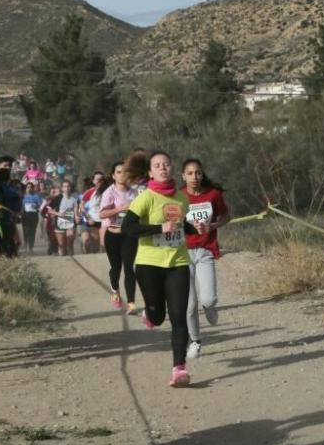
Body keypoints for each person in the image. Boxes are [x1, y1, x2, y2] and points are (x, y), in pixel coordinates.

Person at [122, 152, 207, 388]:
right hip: (149, 265)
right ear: (150, 172)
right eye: (157, 166)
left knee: (179, 317)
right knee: (158, 317)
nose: (163, 168)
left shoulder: (182, 197)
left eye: (167, 164)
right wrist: (160, 227)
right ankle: (149, 315)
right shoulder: (145, 198)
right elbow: (128, 227)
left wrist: (194, 228)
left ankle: (179, 369)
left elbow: (179, 226)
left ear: (172, 169)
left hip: (178, 262)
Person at [181, 158, 230, 359]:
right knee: (189, 304)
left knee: (208, 298)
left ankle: (210, 308)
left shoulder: (213, 194)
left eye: (198, 173)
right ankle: (195, 340)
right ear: (183, 176)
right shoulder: (177, 197)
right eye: (190, 173)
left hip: (205, 250)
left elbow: (226, 216)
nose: (195, 177)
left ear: (202, 175)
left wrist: (213, 226)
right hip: (182, 253)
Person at [99, 162, 139, 314]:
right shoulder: (109, 193)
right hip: (113, 235)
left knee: (129, 267)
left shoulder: (134, 193)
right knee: (116, 268)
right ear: (113, 175)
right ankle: (114, 290)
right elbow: (101, 214)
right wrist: (121, 208)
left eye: (125, 172)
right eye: (119, 172)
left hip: (129, 235)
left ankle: (131, 303)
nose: (122, 175)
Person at [47, 180, 78, 256]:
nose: (67, 188)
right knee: (62, 245)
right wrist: (58, 214)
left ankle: (71, 261)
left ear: (71, 187)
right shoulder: (58, 198)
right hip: (60, 223)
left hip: (71, 223)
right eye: (65, 186)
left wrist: (77, 216)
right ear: (62, 188)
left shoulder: (75, 198)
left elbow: (76, 209)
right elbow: (49, 210)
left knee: (69, 244)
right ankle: (63, 261)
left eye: (68, 186)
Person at [21, 182, 44, 254]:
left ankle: (31, 247)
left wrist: (37, 207)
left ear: (33, 188)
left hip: (34, 216)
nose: (29, 189)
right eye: (27, 187)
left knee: (32, 232)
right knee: (25, 231)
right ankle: (25, 245)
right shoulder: (22, 196)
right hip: (25, 215)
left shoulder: (36, 196)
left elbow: (41, 206)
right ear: (25, 188)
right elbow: (19, 205)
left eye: (31, 187)